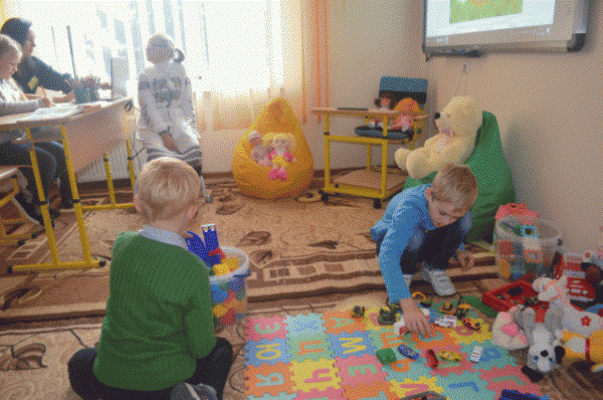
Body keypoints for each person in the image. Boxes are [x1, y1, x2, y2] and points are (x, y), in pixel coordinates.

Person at [67, 157, 234, 400]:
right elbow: (201, 348)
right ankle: (201, 394)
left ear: (137, 203)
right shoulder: (193, 268)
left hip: (111, 379)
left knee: (80, 360)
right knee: (221, 349)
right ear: (192, 210)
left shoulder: (121, 245)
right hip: (165, 384)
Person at [371, 163, 478, 338]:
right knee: (415, 236)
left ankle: (434, 267)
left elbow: (451, 223)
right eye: (442, 213)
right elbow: (387, 255)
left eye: (453, 217)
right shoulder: (409, 207)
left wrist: (458, 250)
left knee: (466, 220)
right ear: (429, 195)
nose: (447, 221)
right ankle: (404, 271)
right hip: (394, 242)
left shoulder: (445, 211)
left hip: (426, 238)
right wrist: (407, 304)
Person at [0, 34, 73, 225]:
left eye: (16, 64)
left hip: (14, 139)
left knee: (61, 154)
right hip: (2, 145)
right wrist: (38, 103)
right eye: (12, 64)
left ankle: (37, 200)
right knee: (45, 161)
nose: (15, 68)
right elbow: (3, 108)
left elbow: (19, 102)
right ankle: (34, 201)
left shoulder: (7, 82)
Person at [137, 33, 203, 173]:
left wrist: (192, 128)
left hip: (179, 124)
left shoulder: (180, 70)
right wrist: (164, 133)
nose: (147, 50)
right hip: (154, 128)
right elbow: (149, 108)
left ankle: (191, 184)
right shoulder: (145, 75)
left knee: (193, 153)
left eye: (150, 47)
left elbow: (187, 102)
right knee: (165, 161)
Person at [0, 17, 74, 102]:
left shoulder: (34, 63)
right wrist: (62, 99)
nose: (34, 44)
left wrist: (75, 84)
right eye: (29, 40)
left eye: (33, 39)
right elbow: (18, 99)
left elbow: (60, 80)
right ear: (14, 40)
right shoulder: (4, 71)